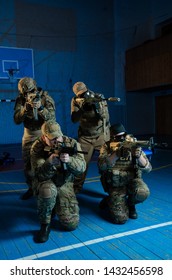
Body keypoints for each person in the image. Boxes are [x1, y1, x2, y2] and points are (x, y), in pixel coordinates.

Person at [30, 120, 86, 243]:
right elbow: (39, 174)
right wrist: (49, 163)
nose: (57, 141)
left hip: (64, 184)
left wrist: (69, 160)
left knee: (71, 225)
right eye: (52, 139)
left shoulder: (71, 143)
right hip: (46, 182)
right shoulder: (37, 147)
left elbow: (82, 168)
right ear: (44, 137)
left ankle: (55, 206)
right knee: (48, 191)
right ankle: (45, 225)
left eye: (58, 137)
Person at [98, 123, 151, 224]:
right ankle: (110, 199)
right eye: (118, 137)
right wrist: (116, 154)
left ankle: (131, 204)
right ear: (112, 137)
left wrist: (138, 156)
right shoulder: (107, 146)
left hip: (132, 181)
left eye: (124, 135)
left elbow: (148, 169)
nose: (122, 139)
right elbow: (102, 166)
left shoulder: (133, 144)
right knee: (120, 219)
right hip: (116, 185)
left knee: (143, 192)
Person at [13, 77, 56, 200]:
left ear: (35, 87)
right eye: (25, 93)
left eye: (30, 91)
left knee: (45, 162)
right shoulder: (21, 100)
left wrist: (41, 109)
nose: (28, 94)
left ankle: (47, 189)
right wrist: (24, 110)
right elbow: (16, 120)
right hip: (28, 134)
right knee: (27, 165)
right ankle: (32, 188)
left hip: (43, 134)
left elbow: (52, 119)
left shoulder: (45, 98)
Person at [71, 81, 110, 193]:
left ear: (87, 88)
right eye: (80, 95)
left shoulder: (98, 97)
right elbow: (74, 119)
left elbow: (105, 118)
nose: (83, 95)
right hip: (85, 137)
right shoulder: (75, 101)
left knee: (105, 164)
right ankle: (75, 190)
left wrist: (95, 106)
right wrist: (82, 108)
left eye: (84, 93)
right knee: (81, 166)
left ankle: (110, 190)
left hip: (101, 136)